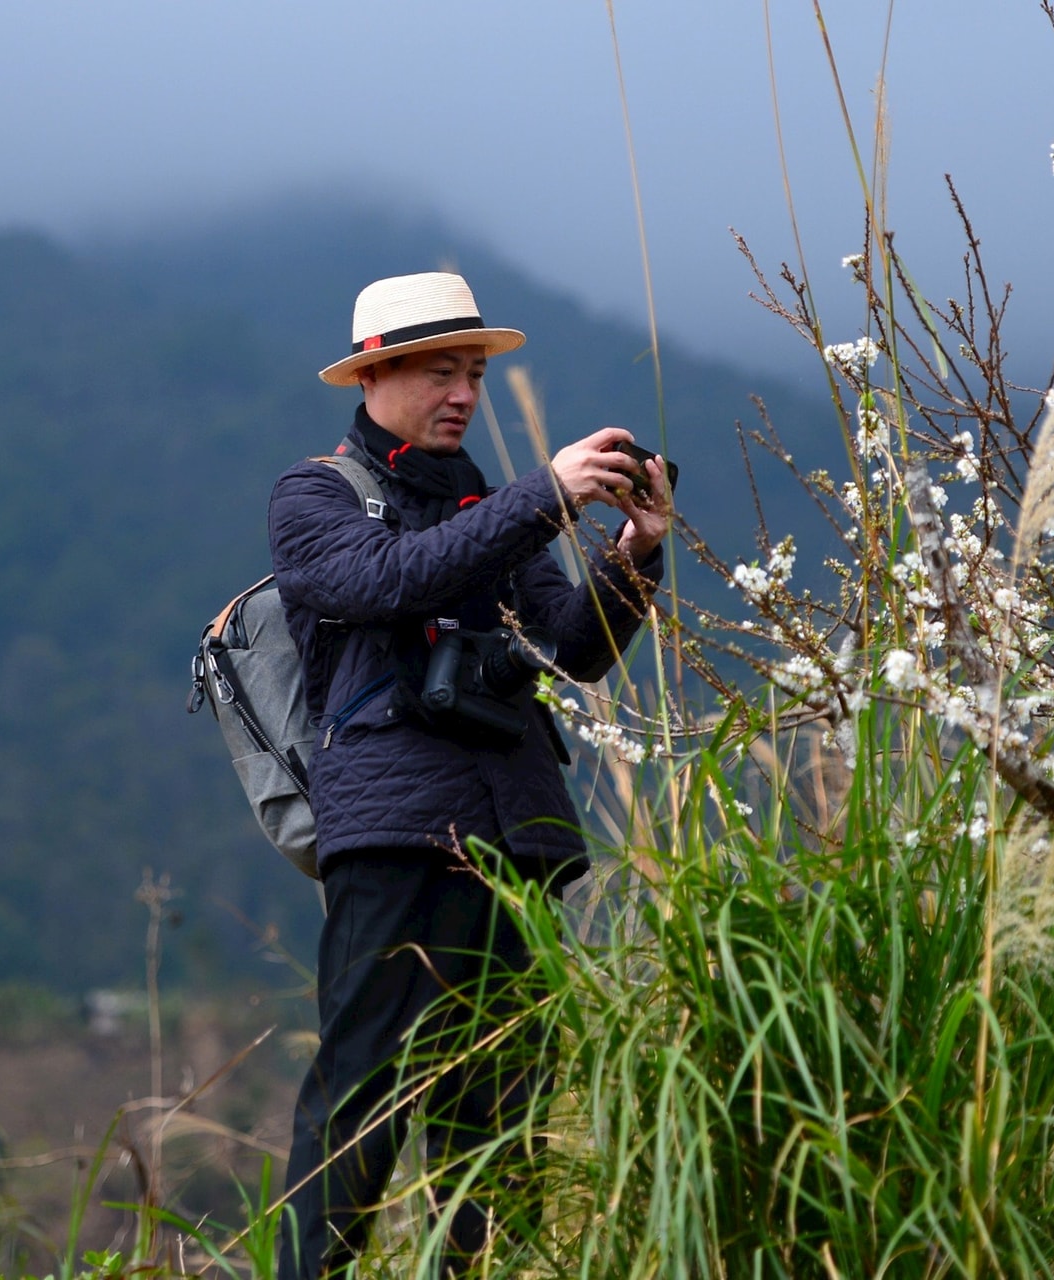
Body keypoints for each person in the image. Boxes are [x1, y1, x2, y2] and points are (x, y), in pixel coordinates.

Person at [268, 271, 669, 1279]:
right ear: (373, 377)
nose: (463, 394)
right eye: (440, 373)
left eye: (475, 375)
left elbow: (571, 648)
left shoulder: (488, 505)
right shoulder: (316, 492)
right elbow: (386, 579)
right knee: (362, 1092)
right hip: (396, 838)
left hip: (514, 836)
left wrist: (634, 549)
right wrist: (545, 495)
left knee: (500, 1111)